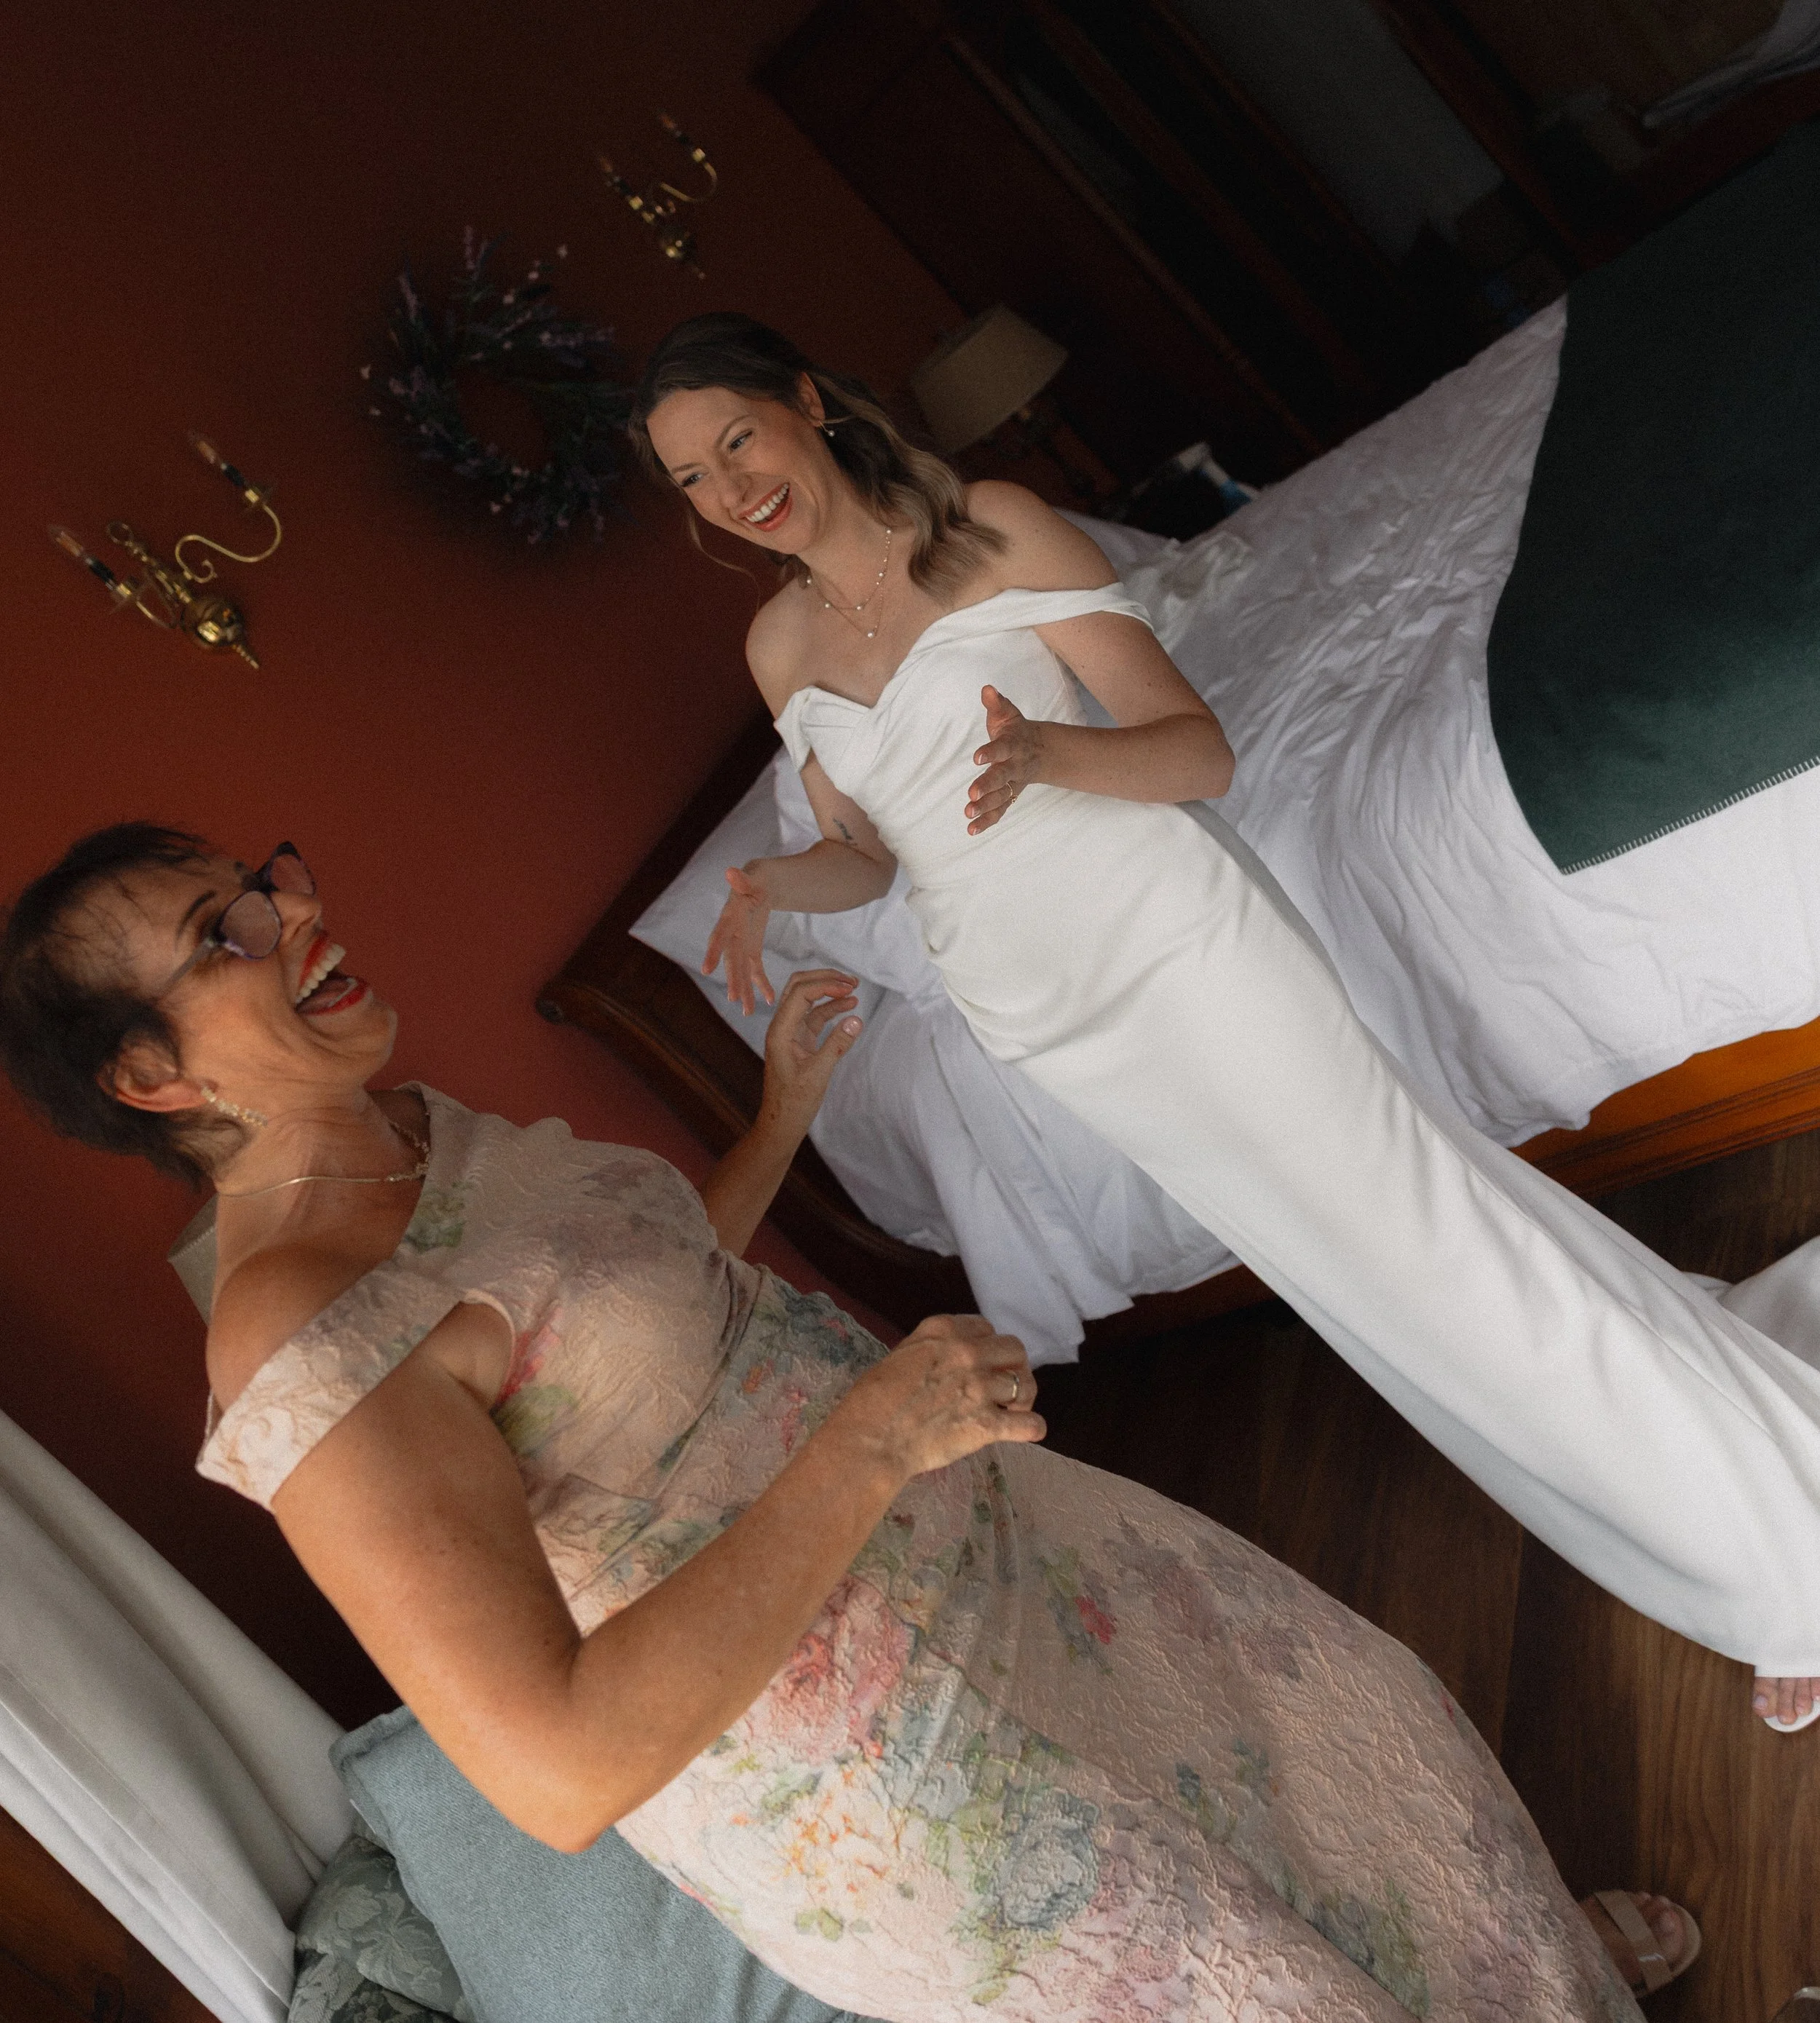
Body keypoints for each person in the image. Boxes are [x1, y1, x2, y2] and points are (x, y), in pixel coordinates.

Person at [0, 824, 1691, 2019]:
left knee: (1342, 1753)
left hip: (1014, 1554)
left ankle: (1524, 1973)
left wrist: (780, 1112)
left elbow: (632, 1326)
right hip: (890, 1771)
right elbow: (560, 1767)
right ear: (156, 1081)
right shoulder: (298, 1331)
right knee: (1244, 1984)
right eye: (218, 936)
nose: (289, 914)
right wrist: (871, 1443)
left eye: (258, 882)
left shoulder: (414, 1128)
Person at [633, 311, 1820, 1733]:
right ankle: (1717, 1508)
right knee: (1377, 1303)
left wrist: (1049, 753)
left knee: (1437, 1243)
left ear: (807, 402)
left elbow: (1192, 752)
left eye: (734, 440)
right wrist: (776, 878)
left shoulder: (993, 530)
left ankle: (1781, 1550)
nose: (727, 487)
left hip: (1183, 950)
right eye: (690, 479)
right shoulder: (780, 644)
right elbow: (874, 859)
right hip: (1048, 1020)